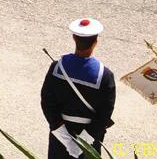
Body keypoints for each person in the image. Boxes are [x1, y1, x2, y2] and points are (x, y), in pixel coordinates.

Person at [42, 18, 116, 159]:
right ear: (95, 42)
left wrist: (65, 139)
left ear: (74, 38)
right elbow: (104, 115)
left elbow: (47, 103)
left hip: (59, 140)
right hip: (90, 142)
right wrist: (83, 142)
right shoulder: (105, 75)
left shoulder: (57, 68)